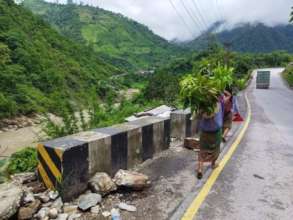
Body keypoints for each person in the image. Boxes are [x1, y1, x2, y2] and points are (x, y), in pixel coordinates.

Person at [197, 99, 224, 179]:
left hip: (204, 131)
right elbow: (212, 114)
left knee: (202, 150)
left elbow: (200, 115)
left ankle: (200, 169)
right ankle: (213, 164)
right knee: (215, 149)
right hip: (215, 132)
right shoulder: (217, 103)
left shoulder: (200, 105)